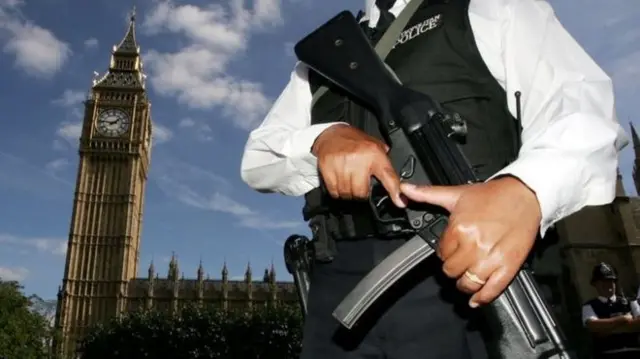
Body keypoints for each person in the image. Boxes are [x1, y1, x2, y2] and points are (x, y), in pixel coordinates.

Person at [241, 0, 627, 358]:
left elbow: (580, 106)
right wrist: (322, 138)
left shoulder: (488, 5)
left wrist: (525, 190)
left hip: (469, 273)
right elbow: (258, 158)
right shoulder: (321, 58)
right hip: (337, 286)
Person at [582, 262, 640, 359]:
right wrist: (624, 318)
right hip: (607, 354)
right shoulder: (589, 306)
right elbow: (594, 326)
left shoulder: (630, 301)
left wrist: (606, 329)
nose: (608, 285)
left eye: (611, 281)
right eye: (603, 281)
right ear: (595, 284)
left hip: (634, 352)